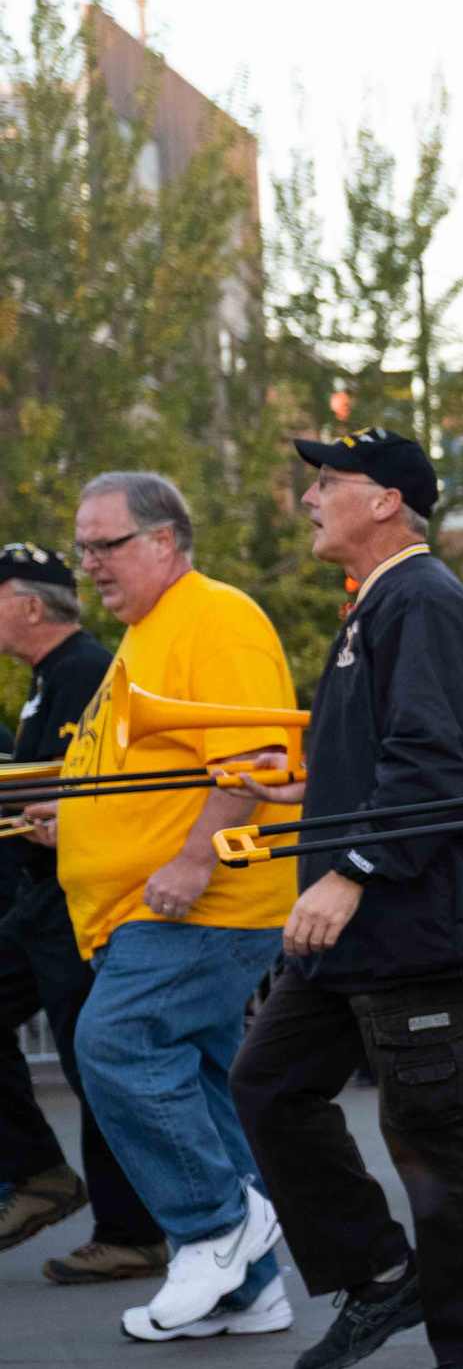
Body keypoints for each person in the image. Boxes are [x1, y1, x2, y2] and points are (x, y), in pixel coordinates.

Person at [228, 428, 463, 1369]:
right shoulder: (381, 604)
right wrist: (306, 797)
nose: (309, 498)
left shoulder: (420, 596)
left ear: (385, 502)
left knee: (439, 1130)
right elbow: (391, 756)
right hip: (362, 926)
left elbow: (428, 765)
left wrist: (348, 871)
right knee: (269, 1086)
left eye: (328, 483)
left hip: (409, 919)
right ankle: (381, 1273)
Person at [50, 472, 299, 1343]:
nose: (88, 566)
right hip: (144, 907)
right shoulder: (147, 634)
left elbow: (259, 757)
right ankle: (253, 1290)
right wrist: (73, 813)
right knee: (193, 1081)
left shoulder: (213, 617)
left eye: (104, 545)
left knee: (116, 1044)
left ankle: (216, 1228)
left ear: (163, 540)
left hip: (204, 901)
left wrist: (196, 858)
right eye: (82, 549)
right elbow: (149, 766)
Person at [0, 545, 165, 1280]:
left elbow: (107, 787)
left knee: (94, 1059)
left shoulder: (87, 672)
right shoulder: (47, 680)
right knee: (89, 1055)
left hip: (78, 897)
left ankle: (135, 1229)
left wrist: (65, 817)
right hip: (44, 898)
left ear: (30, 606)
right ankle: (40, 1172)